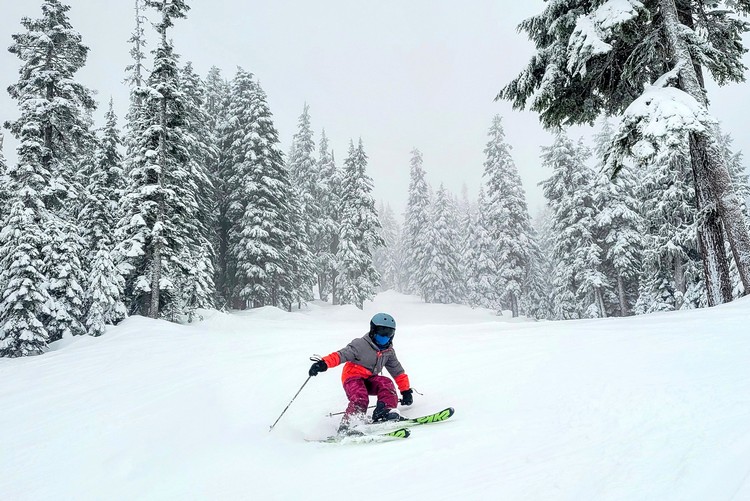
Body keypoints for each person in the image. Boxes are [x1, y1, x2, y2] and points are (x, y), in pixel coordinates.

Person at [308, 312, 414, 434]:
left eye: (389, 333)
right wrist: (324, 363)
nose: (385, 336)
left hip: (370, 379)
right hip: (352, 378)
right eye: (382, 332)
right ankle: (349, 424)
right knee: (360, 396)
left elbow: (397, 371)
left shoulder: (388, 351)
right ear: (373, 330)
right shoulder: (360, 344)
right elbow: (341, 355)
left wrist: (405, 391)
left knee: (386, 383)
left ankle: (384, 412)